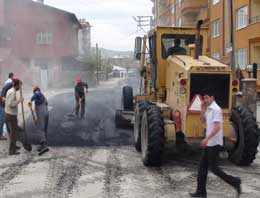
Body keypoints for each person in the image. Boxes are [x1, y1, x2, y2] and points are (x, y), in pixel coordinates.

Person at [190, 88, 241, 198]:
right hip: (209, 143)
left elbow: (218, 126)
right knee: (202, 168)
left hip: (214, 143)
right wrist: (202, 109)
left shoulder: (216, 109)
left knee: (214, 169)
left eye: (207, 98)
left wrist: (207, 138)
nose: (205, 100)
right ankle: (201, 192)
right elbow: (202, 121)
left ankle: (235, 182)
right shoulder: (209, 109)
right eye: (204, 98)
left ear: (213, 98)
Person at [28, 86, 49, 155]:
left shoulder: (37, 93)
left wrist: (30, 100)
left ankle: (44, 146)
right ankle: (42, 143)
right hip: (46, 112)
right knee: (44, 129)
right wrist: (37, 118)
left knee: (40, 129)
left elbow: (36, 94)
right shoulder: (43, 97)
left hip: (42, 112)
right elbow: (46, 104)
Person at [5, 79, 24, 155]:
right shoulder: (12, 92)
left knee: (13, 132)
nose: (20, 88)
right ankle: (12, 151)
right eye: (20, 86)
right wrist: (19, 100)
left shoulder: (10, 90)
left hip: (9, 114)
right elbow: (11, 104)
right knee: (14, 133)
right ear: (17, 85)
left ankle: (14, 146)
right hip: (11, 115)